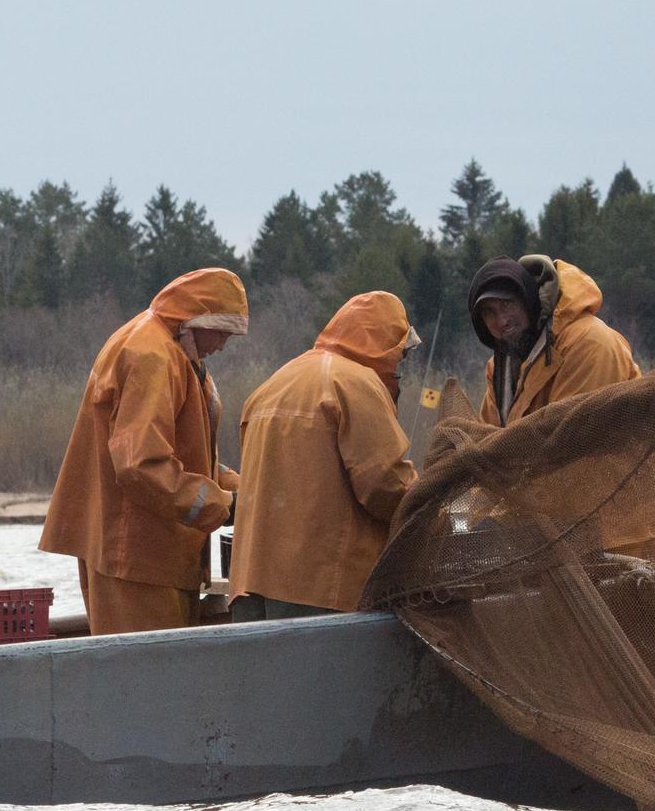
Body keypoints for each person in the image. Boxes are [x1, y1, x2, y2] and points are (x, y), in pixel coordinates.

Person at [39, 267, 248, 635]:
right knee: (146, 681)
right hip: (134, 555)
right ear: (197, 319)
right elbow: (141, 466)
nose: (222, 345)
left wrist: (242, 487)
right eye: (223, 332)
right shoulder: (151, 356)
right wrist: (223, 506)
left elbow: (183, 451)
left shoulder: (171, 349)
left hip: (148, 553)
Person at [228, 291, 420, 621]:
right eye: (400, 353)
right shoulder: (356, 383)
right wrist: (432, 506)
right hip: (321, 589)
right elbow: (384, 483)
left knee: (265, 675)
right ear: (385, 346)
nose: (399, 365)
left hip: (250, 583)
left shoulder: (273, 383)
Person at [468, 254, 640, 426]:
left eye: (507, 304)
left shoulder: (589, 343)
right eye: (489, 312)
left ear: (529, 300)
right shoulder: (500, 368)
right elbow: (487, 437)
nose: (502, 321)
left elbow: (573, 440)